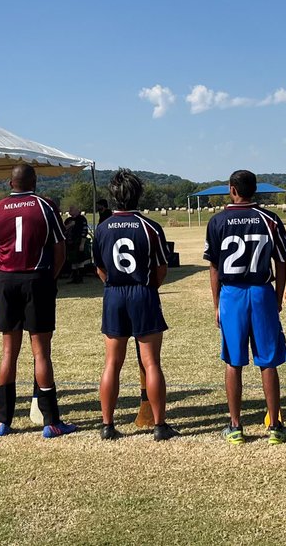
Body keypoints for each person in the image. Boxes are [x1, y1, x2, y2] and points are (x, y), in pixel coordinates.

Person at [0, 163, 76, 438]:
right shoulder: (45, 207)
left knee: (8, 352)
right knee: (41, 352)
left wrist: (5, 275)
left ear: (10, 183)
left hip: (6, 281)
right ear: (35, 182)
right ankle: (51, 422)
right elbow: (60, 251)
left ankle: (2, 420)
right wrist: (48, 278)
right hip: (38, 279)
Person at [203, 169, 286, 445]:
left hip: (232, 295)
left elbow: (214, 267)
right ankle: (275, 425)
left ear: (232, 190)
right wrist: (277, 296)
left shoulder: (218, 221)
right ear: (255, 190)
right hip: (262, 291)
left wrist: (217, 304)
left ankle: (235, 426)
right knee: (268, 360)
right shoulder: (270, 219)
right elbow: (281, 262)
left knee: (234, 361)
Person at [92, 169, 178, 441]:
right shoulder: (150, 227)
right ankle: (159, 425)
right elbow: (161, 268)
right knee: (151, 363)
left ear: (113, 196)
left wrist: (113, 285)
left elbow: (99, 268)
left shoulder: (102, 228)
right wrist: (149, 288)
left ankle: (107, 425)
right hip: (143, 293)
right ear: (138, 194)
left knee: (111, 363)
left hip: (114, 294)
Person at [63, 208, 91, 283]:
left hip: (79, 241)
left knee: (80, 260)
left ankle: (80, 277)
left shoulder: (82, 219)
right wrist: (70, 225)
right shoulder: (68, 220)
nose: (70, 211)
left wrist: (82, 244)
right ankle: (74, 277)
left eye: (71, 210)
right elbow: (63, 229)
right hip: (70, 242)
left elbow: (84, 231)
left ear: (77, 211)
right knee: (73, 260)